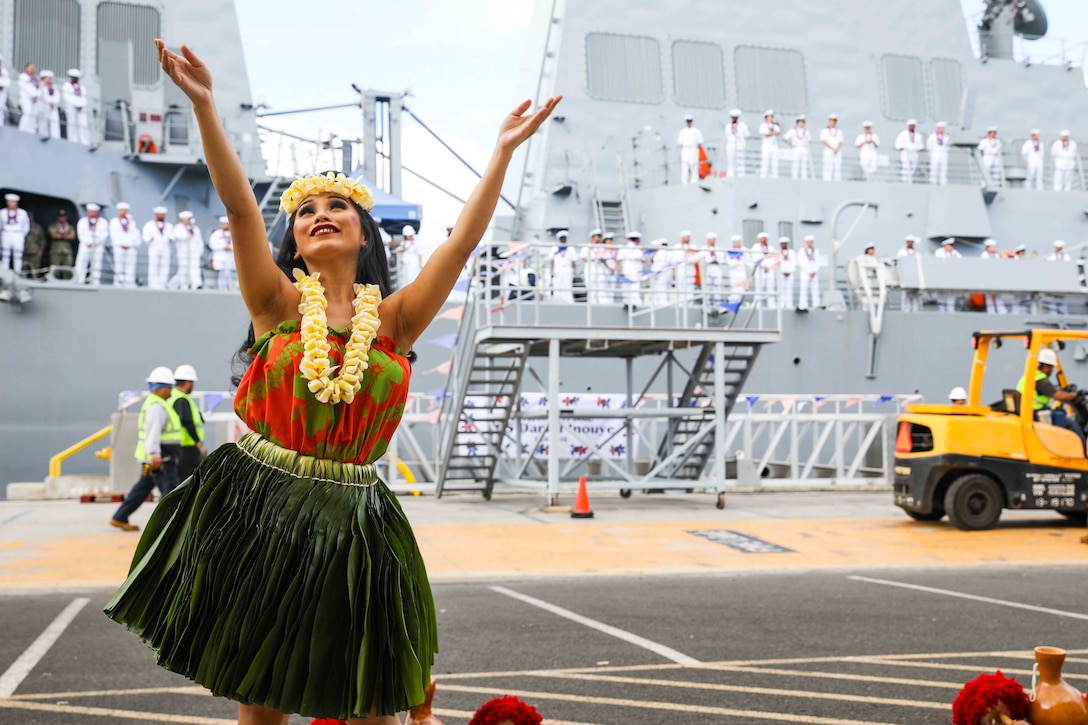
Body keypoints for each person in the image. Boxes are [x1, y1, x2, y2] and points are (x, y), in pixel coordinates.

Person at [105, 39, 559, 724]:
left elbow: (460, 243)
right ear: (295, 239)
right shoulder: (277, 304)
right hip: (263, 507)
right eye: (306, 208)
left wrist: (501, 151)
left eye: (337, 206)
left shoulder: (396, 321)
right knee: (263, 695)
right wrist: (204, 106)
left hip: (354, 520)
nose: (319, 212)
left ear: (363, 233)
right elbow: (237, 209)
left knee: (368, 698)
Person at [108, 366, 183, 532]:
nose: (171, 391)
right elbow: (153, 433)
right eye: (170, 387)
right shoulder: (157, 407)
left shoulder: (156, 404)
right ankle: (172, 528)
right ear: (163, 388)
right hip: (160, 460)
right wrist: (155, 455)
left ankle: (120, 516)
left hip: (153, 459)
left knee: (142, 488)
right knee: (171, 492)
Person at [1017, 348, 1084, 441]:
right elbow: (1059, 396)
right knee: (1071, 423)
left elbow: (1047, 390)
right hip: (1036, 414)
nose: (1051, 370)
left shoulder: (1029, 376)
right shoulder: (1041, 380)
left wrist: (1060, 389)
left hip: (1029, 412)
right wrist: (1076, 394)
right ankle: (1083, 450)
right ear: (1045, 366)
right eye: (1051, 367)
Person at [170, 364, 205, 483]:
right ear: (188, 382)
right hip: (187, 446)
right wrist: (197, 441)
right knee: (189, 479)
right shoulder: (181, 399)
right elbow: (187, 421)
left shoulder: (173, 396)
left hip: (180, 445)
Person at [75, 202, 109, 284]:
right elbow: (80, 233)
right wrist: (87, 242)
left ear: (96, 212)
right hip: (85, 245)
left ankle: (95, 282)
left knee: (97, 264)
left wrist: (95, 243)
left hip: (97, 247)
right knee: (81, 263)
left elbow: (104, 235)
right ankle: (79, 281)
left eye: (92, 211)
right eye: (89, 211)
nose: (90, 213)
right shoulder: (82, 221)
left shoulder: (103, 222)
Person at [143, 205, 175, 289]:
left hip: (165, 248)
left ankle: (163, 284)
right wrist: (150, 238)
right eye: (160, 214)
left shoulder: (169, 225)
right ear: (156, 215)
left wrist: (169, 238)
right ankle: (153, 284)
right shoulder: (149, 225)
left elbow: (172, 236)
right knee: (153, 266)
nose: (162, 216)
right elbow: (146, 236)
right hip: (154, 248)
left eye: (163, 214)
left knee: (165, 266)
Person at [110, 202, 140, 287]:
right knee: (119, 266)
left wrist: (130, 245)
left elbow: (135, 235)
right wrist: (121, 244)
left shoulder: (132, 223)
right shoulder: (114, 222)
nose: (123, 212)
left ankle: (129, 283)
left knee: (130, 267)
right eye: (121, 210)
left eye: (125, 210)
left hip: (130, 247)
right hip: (119, 247)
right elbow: (113, 235)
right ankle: (118, 283)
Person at [581, 228, 614, 304]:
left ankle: (602, 303)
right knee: (591, 287)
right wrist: (592, 259)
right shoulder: (587, 247)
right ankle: (592, 303)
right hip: (590, 268)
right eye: (598, 236)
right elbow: (583, 257)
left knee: (601, 286)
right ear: (593, 237)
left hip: (599, 267)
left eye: (600, 236)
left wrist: (609, 268)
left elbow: (603, 259)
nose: (599, 238)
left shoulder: (601, 248)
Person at [173, 210, 204, 289]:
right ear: (183, 219)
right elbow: (177, 236)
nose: (189, 220)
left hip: (194, 252)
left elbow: (199, 241)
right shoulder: (178, 227)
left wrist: (200, 252)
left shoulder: (195, 229)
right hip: (183, 252)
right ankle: (183, 284)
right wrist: (186, 237)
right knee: (183, 268)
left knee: (195, 268)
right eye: (188, 219)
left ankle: (196, 284)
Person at [616, 231, 645, 310]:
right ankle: (636, 304)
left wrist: (621, 270)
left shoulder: (623, 249)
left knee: (625, 288)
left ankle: (626, 303)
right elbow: (642, 261)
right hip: (636, 272)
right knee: (635, 288)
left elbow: (620, 260)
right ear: (636, 240)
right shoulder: (638, 250)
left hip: (626, 271)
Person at [1, 193, 30, 273]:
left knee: (18, 255)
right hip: (6, 233)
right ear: (7, 202)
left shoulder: (22, 213)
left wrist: (22, 235)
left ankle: (17, 272)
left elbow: (26, 225)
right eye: (10, 201)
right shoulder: (2, 212)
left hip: (18, 234)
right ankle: (5, 272)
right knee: (5, 254)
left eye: (13, 202)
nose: (12, 203)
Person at [61, 69, 90, 145]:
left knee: (84, 124)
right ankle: (72, 141)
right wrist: (76, 104)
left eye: (76, 77)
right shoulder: (67, 85)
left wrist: (81, 105)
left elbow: (84, 97)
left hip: (81, 108)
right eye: (74, 77)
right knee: (72, 124)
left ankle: (85, 141)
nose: (75, 79)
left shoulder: (81, 87)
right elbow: (67, 97)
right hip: (71, 107)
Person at [978, 239, 1007, 314]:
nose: (994, 248)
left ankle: (1001, 310)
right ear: (988, 247)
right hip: (988, 278)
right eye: (993, 247)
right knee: (989, 297)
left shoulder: (996, 255)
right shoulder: (984, 255)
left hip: (996, 278)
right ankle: (991, 311)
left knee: (998, 295)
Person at [208, 216, 236, 290]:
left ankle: (230, 288)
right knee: (221, 274)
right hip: (220, 256)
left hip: (230, 256)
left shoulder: (235, 233)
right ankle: (221, 289)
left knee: (229, 274)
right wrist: (222, 247)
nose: (224, 225)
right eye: (223, 224)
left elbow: (239, 244)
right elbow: (212, 244)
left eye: (226, 224)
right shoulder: (216, 234)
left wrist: (231, 247)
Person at [47, 208, 76, 276]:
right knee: (55, 270)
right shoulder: (53, 226)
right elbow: (53, 235)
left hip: (67, 252)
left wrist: (61, 236)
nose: (62, 218)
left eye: (64, 216)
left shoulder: (70, 227)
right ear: (57, 217)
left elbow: (72, 236)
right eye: (60, 216)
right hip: (56, 251)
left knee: (67, 270)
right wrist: (65, 236)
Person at [934, 238, 961, 312]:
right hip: (941, 277)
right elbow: (939, 262)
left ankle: (951, 310)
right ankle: (941, 310)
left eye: (952, 245)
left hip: (952, 277)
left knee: (951, 295)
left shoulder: (955, 252)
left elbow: (960, 260)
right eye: (949, 245)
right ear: (945, 246)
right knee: (941, 294)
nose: (951, 247)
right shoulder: (939, 252)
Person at [750, 231, 776, 308]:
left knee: (770, 288)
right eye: (762, 238)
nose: (764, 240)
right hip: (760, 269)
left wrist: (769, 267)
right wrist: (764, 266)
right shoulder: (756, 247)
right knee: (759, 287)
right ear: (759, 239)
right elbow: (756, 258)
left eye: (765, 238)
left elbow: (774, 258)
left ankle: (772, 305)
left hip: (769, 270)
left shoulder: (771, 248)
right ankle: (757, 304)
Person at [549, 229, 576, 302]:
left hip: (567, 268)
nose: (563, 240)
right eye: (562, 238)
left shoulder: (570, 248)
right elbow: (552, 260)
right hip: (558, 268)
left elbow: (573, 261)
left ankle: (569, 301)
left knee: (568, 285)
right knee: (557, 285)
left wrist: (574, 271)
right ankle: (556, 300)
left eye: (564, 238)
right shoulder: (555, 248)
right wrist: (551, 271)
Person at [896, 235, 920, 312]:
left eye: (911, 242)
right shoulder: (901, 252)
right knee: (905, 296)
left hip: (914, 277)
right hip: (905, 276)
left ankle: (915, 310)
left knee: (915, 296)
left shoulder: (917, 253)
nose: (910, 243)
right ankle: (905, 311)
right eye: (909, 242)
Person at [1046, 240, 1071, 315]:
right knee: (1052, 302)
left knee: (1062, 302)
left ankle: (1064, 315)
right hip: (1053, 281)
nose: (1058, 249)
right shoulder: (1051, 257)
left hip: (1063, 281)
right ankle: (1053, 315)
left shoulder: (1067, 257)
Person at [783, 115, 812, 180]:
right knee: (795, 164)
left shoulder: (806, 131)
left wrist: (806, 145)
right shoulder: (793, 130)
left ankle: (804, 179)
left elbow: (810, 140)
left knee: (804, 165)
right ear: (798, 122)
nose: (802, 123)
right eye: (801, 122)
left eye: (803, 122)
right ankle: (794, 178)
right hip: (796, 149)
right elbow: (785, 138)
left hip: (804, 149)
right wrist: (791, 144)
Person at [677, 115, 703, 184]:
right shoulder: (682, 132)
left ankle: (694, 181)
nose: (689, 123)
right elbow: (680, 143)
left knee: (693, 165)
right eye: (688, 121)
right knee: (684, 166)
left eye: (690, 121)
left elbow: (700, 142)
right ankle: (684, 182)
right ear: (686, 122)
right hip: (685, 150)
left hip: (693, 149)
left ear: (692, 122)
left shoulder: (696, 131)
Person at [797, 235, 821, 312]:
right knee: (804, 289)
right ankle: (803, 305)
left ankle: (816, 304)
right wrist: (808, 271)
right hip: (805, 273)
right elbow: (801, 262)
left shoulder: (816, 251)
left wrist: (814, 271)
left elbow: (818, 262)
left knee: (815, 289)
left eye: (811, 242)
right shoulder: (801, 251)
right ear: (806, 242)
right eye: (809, 242)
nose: (810, 243)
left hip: (814, 273)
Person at [673, 230, 696, 305]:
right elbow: (674, 258)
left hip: (690, 268)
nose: (688, 239)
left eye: (689, 237)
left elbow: (696, 257)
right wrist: (684, 258)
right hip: (681, 268)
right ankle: (680, 303)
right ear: (682, 238)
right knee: (681, 285)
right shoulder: (677, 247)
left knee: (690, 287)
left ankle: (690, 304)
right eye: (686, 237)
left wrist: (690, 259)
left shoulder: (693, 247)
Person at [21, 211, 46, 278]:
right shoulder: (20, 227)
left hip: (35, 252)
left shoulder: (38, 227)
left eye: (30, 216)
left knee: (35, 271)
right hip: (24, 252)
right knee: (23, 271)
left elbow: (42, 240)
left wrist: (41, 250)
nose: (29, 218)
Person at [726, 234, 749, 306]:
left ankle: (737, 301)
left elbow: (748, 259)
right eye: (736, 242)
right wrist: (736, 262)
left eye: (739, 242)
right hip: (734, 271)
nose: (738, 244)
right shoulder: (730, 251)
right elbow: (728, 261)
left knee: (742, 288)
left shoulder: (744, 250)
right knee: (734, 287)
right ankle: (733, 301)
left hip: (742, 271)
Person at [649, 238, 673, 306]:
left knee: (660, 290)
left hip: (661, 273)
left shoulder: (660, 253)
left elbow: (658, 265)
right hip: (668, 272)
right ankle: (664, 304)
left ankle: (662, 305)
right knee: (666, 290)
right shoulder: (669, 252)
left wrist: (656, 274)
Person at [725, 109, 748, 177]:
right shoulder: (728, 125)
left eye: (736, 117)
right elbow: (727, 135)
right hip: (731, 144)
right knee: (730, 161)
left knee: (740, 161)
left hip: (739, 144)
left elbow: (746, 134)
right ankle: (730, 176)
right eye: (733, 117)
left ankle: (741, 176)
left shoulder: (742, 125)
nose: (734, 119)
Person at [17, 62, 39, 134]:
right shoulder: (23, 76)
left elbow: (38, 88)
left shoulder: (34, 78)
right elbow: (27, 87)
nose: (32, 69)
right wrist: (34, 95)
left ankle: (30, 131)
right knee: (27, 113)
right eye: (30, 67)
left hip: (34, 100)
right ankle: (22, 130)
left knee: (33, 115)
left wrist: (36, 95)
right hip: (26, 99)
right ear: (26, 68)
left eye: (33, 67)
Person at [820, 113, 844, 181]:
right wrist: (832, 148)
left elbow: (841, 141)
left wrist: (837, 149)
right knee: (827, 168)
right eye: (832, 120)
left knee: (837, 168)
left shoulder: (839, 131)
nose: (833, 122)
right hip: (828, 150)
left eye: (835, 121)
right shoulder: (824, 130)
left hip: (837, 151)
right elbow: (824, 141)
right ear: (829, 121)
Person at [38, 70, 61, 139]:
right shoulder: (40, 85)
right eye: (47, 78)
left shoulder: (54, 86)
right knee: (43, 122)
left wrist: (53, 102)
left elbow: (57, 96)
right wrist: (50, 102)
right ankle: (42, 135)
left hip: (53, 107)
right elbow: (42, 95)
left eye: (50, 78)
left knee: (55, 122)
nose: (49, 79)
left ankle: (55, 137)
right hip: (44, 106)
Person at [759, 110, 781, 178]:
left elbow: (778, 132)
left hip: (774, 145)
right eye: (770, 117)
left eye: (772, 116)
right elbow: (764, 134)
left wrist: (772, 133)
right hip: (766, 145)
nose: (771, 118)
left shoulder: (775, 126)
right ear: (766, 117)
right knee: (765, 162)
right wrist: (772, 133)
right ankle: (763, 176)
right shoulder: (763, 126)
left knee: (775, 162)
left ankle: (775, 176)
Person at [703, 232, 723, 305]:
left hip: (716, 268)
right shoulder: (704, 248)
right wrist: (711, 259)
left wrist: (716, 259)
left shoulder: (718, 248)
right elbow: (703, 258)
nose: (713, 241)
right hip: (708, 269)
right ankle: (707, 305)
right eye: (712, 239)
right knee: (707, 288)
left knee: (718, 287)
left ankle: (718, 304)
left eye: (714, 239)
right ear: (708, 240)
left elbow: (721, 258)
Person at [1010, 243, 1031, 314]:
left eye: (1024, 252)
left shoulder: (1025, 260)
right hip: (1017, 283)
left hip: (1025, 283)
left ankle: (1024, 312)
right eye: (1022, 252)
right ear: (1019, 252)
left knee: (1025, 299)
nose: (1023, 253)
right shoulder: (1015, 261)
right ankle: (1015, 313)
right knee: (1017, 299)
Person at [778, 236, 796, 309]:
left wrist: (789, 271)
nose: (784, 245)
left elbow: (794, 262)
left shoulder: (792, 252)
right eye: (782, 244)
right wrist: (782, 271)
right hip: (781, 273)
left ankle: (789, 304)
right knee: (781, 289)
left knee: (789, 289)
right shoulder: (778, 252)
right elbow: (777, 263)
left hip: (790, 273)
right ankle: (781, 304)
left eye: (785, 244)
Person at [0, 55, 10, 126]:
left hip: (2, 94)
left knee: (1, 109)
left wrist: (1, 86)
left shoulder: (4, 71)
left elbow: (7, 82)